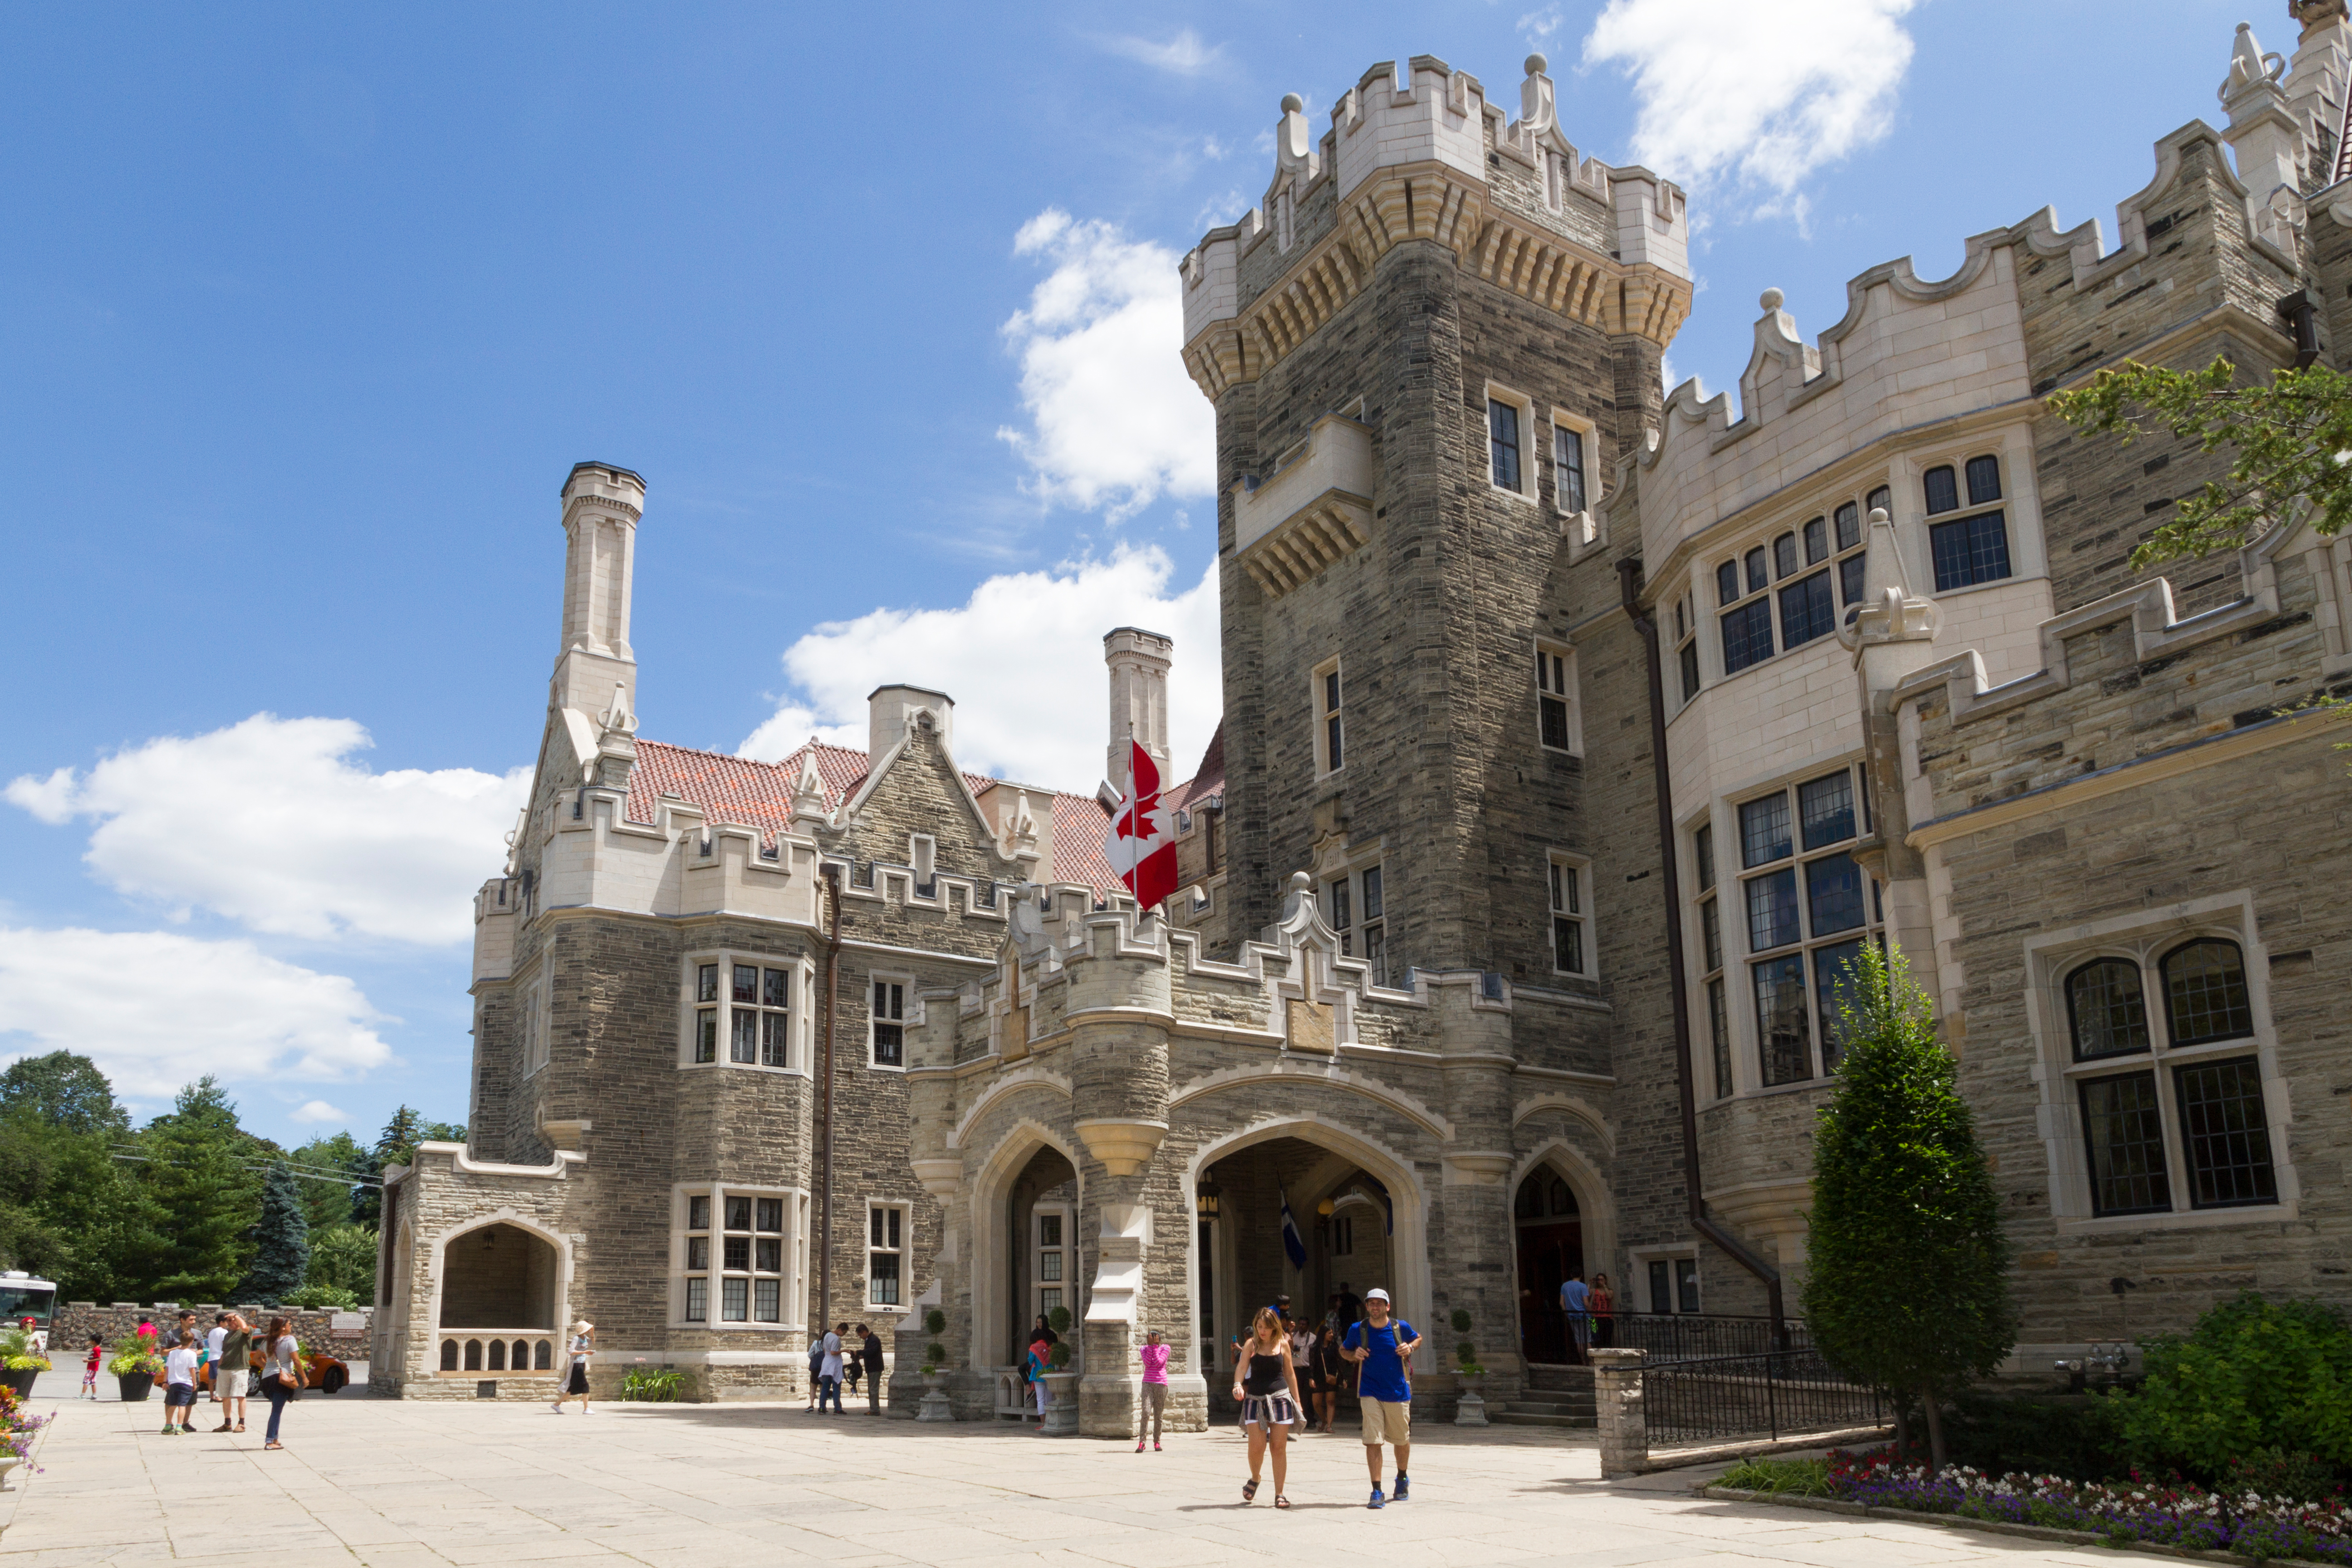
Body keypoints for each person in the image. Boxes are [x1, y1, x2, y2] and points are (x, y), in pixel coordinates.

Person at [1342, 1287, 1420, 1509]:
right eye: (1371, 1303)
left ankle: (1402, 1477)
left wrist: (1410, 1347)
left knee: (1401, 1439)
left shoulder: (1399, 1327)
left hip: (1397, 1391)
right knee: (1373, 1440)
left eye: (1379, 1303)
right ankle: (1377, 1490)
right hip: (1369, 1390)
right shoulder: (1358, 1329)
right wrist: (1353, 1355)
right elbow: (1344, 1350)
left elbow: (1418, 1339)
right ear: (1366, 1307)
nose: (1375, 1307)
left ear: (1387, 1307)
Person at [1230, 1306, 1302, 1508]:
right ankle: (1255, 1478)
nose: (1262, 1331)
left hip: (1280, 1399)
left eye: (1266, 1327)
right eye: (1259, 1326)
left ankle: (1280, 1494)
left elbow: (1289, 1374)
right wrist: (1237, 1385)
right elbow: (1242, 1367)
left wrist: (1297, 1401)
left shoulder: (1283, 1344)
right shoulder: (1251, 1345)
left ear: (1274, 1327)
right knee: (1257, 1447)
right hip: (1255, 1399)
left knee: (1278, 1448)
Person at [258, 1315, 299, 1450]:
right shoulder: (290, 1340)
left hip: (267, 1379)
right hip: (281, 1379)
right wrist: (304, 1378)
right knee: (276, 1411)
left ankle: (275, 1438)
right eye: (289, 1324)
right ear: (283, 1327)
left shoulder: (268, 1341)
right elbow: (297, 1360)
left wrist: (267, 1367)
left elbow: (256, 1358)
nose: (291, 1326)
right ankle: (270, 1441)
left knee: (277, 1409)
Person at [211, 1314, 251, 1433]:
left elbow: (244, 1327)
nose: (229, 1323)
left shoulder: (246, 1331)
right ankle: (227, 1423)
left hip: (240, 1368)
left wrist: (236, 1316)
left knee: (240, 1396)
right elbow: (225, 1352)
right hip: (225, 1369)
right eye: (227, 1321)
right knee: (225, 1397)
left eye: (231, 1320)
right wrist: (220, 1365)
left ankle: (242, 1423)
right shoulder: (228, 1335)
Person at [1135, 1327, 1170, 1451]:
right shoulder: (1144, 1349)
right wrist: (1151, 1347)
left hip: (1161, 1384)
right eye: (1151, 1336)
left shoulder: (1166, 1348)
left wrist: (1155, 1347)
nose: (1154, 1338)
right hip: (1148, 1384)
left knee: (1158, 1415)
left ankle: (1157, 1442)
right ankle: (1142, 1442)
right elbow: (1148, 1363)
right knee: (1146, 1411)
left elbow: (1159, 1363)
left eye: (1156, 1337)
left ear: (1160, 1339)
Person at [1309, 1313, 1343, 1434]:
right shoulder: (1314, 1348)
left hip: (1331, 1377)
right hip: (1318, 1377)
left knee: (1330, 1401)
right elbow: (1312, 1364)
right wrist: (1311, 1378)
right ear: (1323, 1334)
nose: (1332, 1335)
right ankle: (1323, 1420)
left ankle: (1329, 1426)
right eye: (1330, 1333)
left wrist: (1342, 1378)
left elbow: (1339, 1363)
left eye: (1332, 1333)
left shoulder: (1334, 1347)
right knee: (1316, 1403)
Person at [161, 1330, 200, 1436]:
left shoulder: (173, 1353)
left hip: (173, 1382)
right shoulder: (192, 1354)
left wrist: (165, 1381)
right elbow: (192, 1370)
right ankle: (179, 1426)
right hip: (186, 1383)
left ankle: (168, 1426)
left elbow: (167, 1368)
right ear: (191, 1342)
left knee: (171, 1404)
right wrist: (195, 1383)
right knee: (182, 1405)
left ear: (180, 1341)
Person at [553, 1320, 593, 1414]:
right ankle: (586, 1409)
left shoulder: (585, 1337)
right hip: (576, 1364)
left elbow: (591, 1343)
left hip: (582, 1364)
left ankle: (556, 1405)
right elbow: (571, 1351)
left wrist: (592, 1333)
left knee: (573, 1388)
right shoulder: (576, 1338)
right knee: (585, 1386)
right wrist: (585, 1352)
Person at [1560, 1272, 1592, 1365]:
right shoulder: (1582, 1286)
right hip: (1583, 1316)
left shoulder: (1565, 1286)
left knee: (1579, 1340)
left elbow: (1562, 1303)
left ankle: (1583, 1361)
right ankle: (1590, 1362)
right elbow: (1586, 1303)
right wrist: (1592, 1313)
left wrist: (1567, 1314)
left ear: (1571, 1275)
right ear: (1581, 1275)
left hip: (1572, 1317)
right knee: (1587, 1340)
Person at [818, 1323, 846, 1414]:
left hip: (826, 1363)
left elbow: (826, 1350)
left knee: (825, 1387)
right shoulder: (836, 1339)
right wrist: (845, 1351)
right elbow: (833, 1352)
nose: (843, 1335)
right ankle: (837, 1408)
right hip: (834, 1364)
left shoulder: (827, 1335)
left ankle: (822, 1407)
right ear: (840, 1330)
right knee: (836, 1386)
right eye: (844, 1333)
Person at [1025, 1332, 1052, 1426]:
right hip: (1050, 1375)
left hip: (1038, 1375)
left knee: (1040, 1400)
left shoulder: (1033, 1348)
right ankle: (1051, 1422)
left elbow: (1030, 1360)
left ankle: (1044, 1423)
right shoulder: (1048, 1346)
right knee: (1049, 1399)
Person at [859, 1324, 886, 1414]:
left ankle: (875, 1410)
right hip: (871, 1368)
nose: (860, 1337)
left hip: (875, 1367)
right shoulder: (869, 1340)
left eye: (860, 1335)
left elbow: (871, 1352)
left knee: (873, 1389)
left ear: (864, 1332)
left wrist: (860, 1352)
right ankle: (873, 1408)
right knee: (871, 1389)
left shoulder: (874, 1340)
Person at [203, 1313, 228, 1409]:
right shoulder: (224, 1332)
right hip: (219, 1356)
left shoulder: (212, 1332)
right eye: (226, 1322)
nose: (227, 1324)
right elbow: (225, 1343)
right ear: (221, 1322)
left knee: (211, 1378)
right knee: (220, 1377)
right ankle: (218, 1396)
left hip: (212, 1356)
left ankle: (212, 1396)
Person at [1589, 1273, 1615, 1350]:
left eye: (1602, 1279)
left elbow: (1610, 1297)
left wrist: (1604, 1286)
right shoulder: (1593, 1291)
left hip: (1607, 1318)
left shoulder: (1610, 1290)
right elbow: (1585, 1297)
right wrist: (1590, 1284)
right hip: (1595, 1318)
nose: (1600, 1281)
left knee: (1608, 1339)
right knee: (1597, 1339)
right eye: (1599, 1279)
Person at [806, 1331, 825, 1411]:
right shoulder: (827, 1345)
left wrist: (815, 1360)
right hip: (824, 1368)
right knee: (823, 1387)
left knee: (813, 1387)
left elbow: (810, 1354)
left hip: (816, 1369)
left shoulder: (816, 1343)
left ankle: (811, 1404)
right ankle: (822, 1405)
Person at [81, 1334, 102, 1399]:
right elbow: (93, 1357)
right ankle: (94, 1395)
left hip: (92, 1368)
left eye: (91, 1340)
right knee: (93, 1382)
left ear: (94, 1341)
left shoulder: (97, 1349)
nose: (90, 1342)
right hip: (93, 1368)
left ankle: (83, 1395)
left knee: (86, 1381)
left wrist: (88, 1361)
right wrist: (87, 1359)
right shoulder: (95, 1349)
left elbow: (99, 1358)